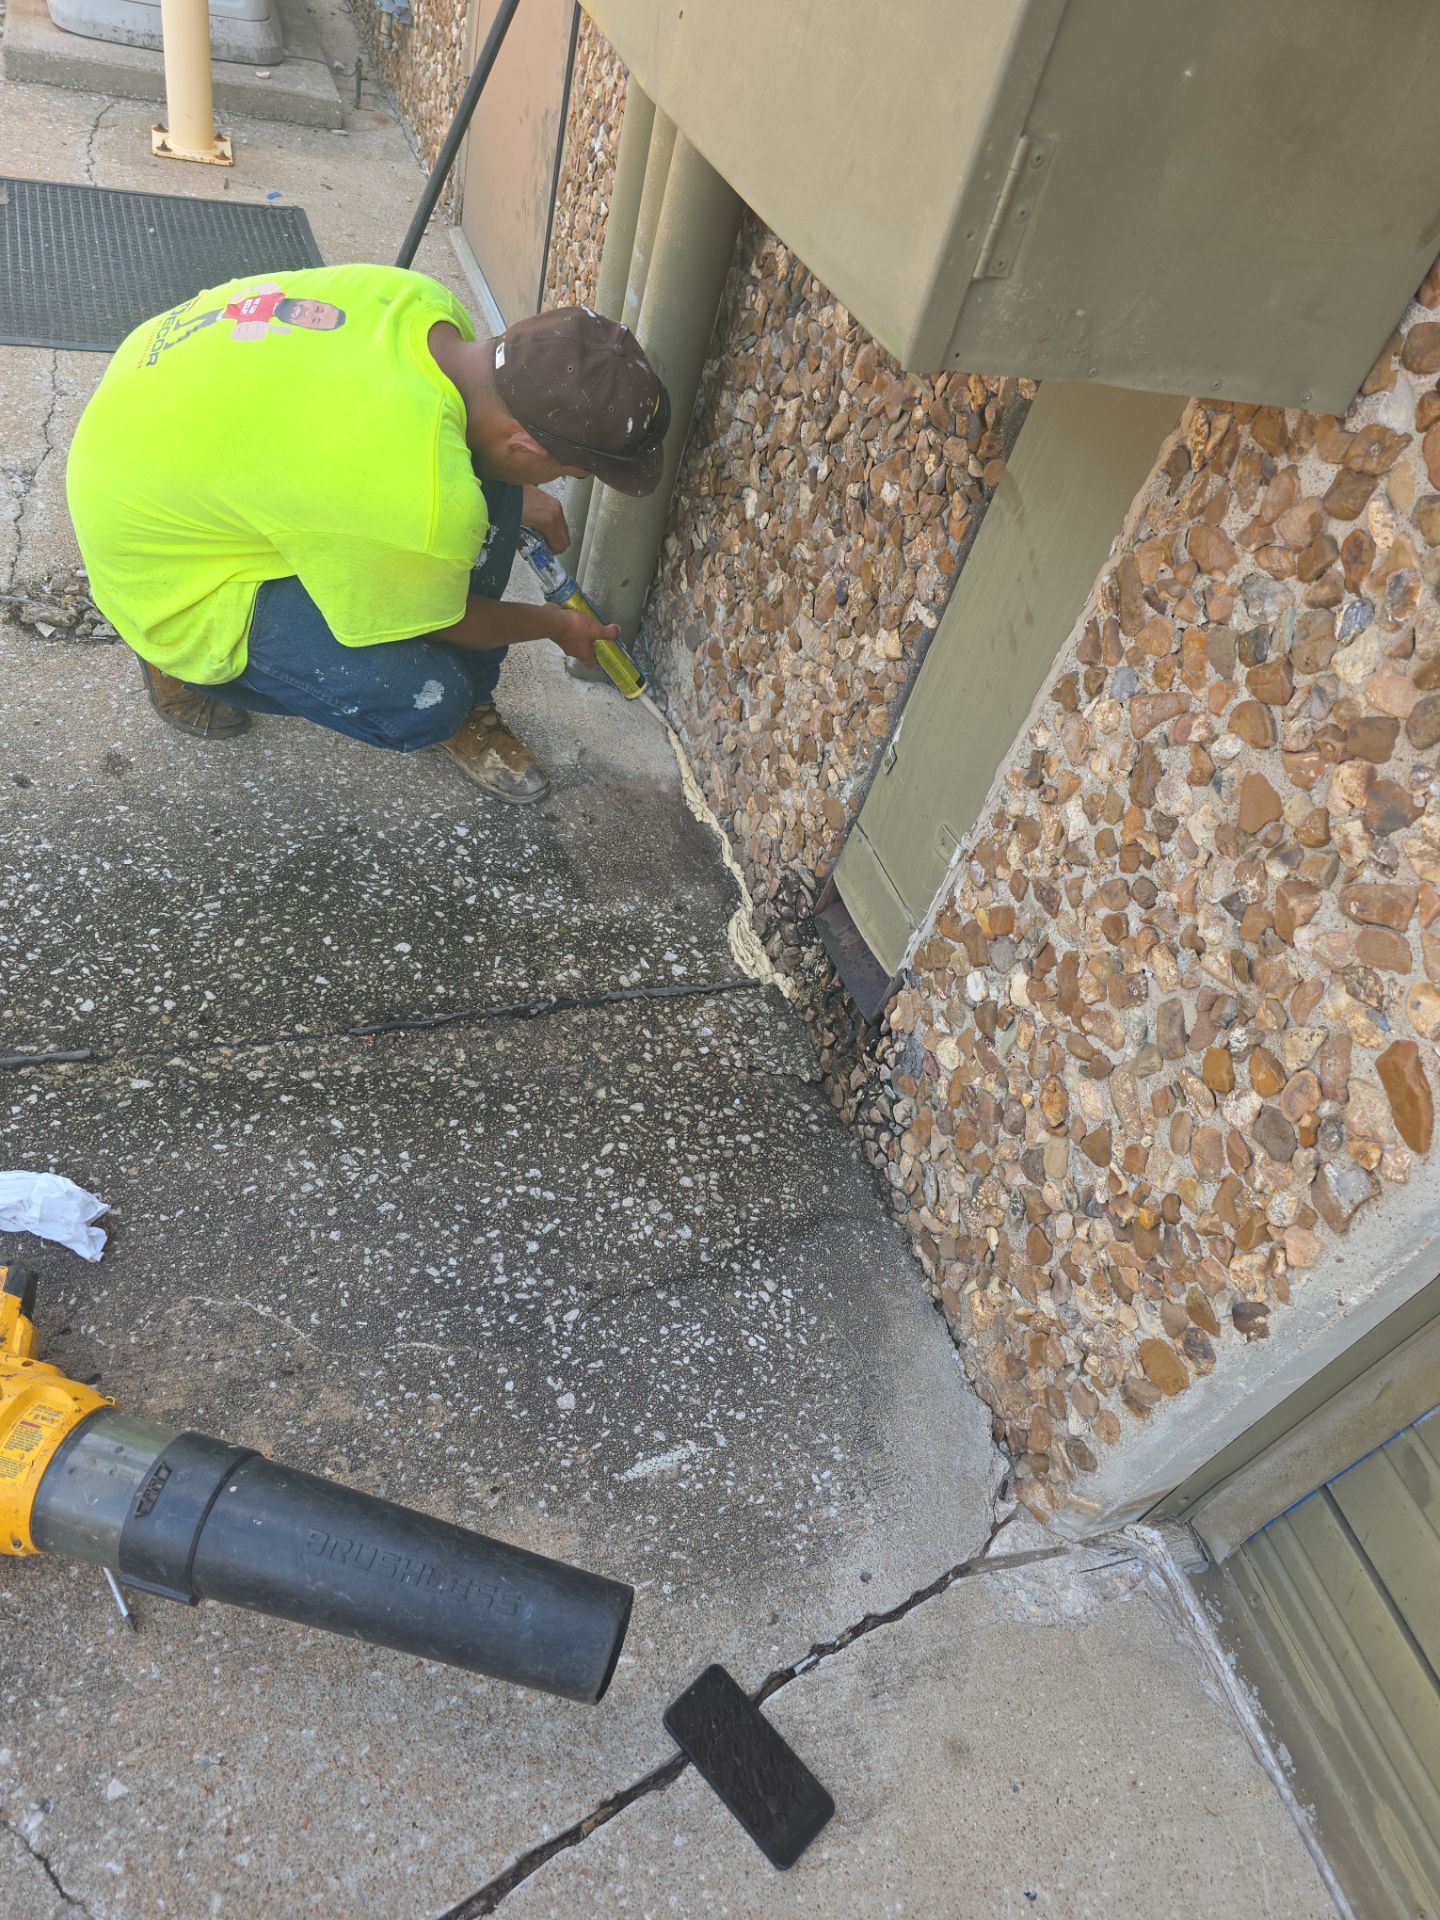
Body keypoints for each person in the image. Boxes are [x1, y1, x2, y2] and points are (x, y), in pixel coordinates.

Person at [66, 265, 669, 803]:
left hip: (151, 409)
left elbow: (456, 461)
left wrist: (514, 492)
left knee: (481, 504)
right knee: (426, 698)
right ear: (525, 445)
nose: (564, 480)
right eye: (566, 470)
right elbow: (447, 618)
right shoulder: (418, 490)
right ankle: (175, 662)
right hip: (158, 559)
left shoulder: (423, 305)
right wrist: (556, 625)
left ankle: (464, 659)